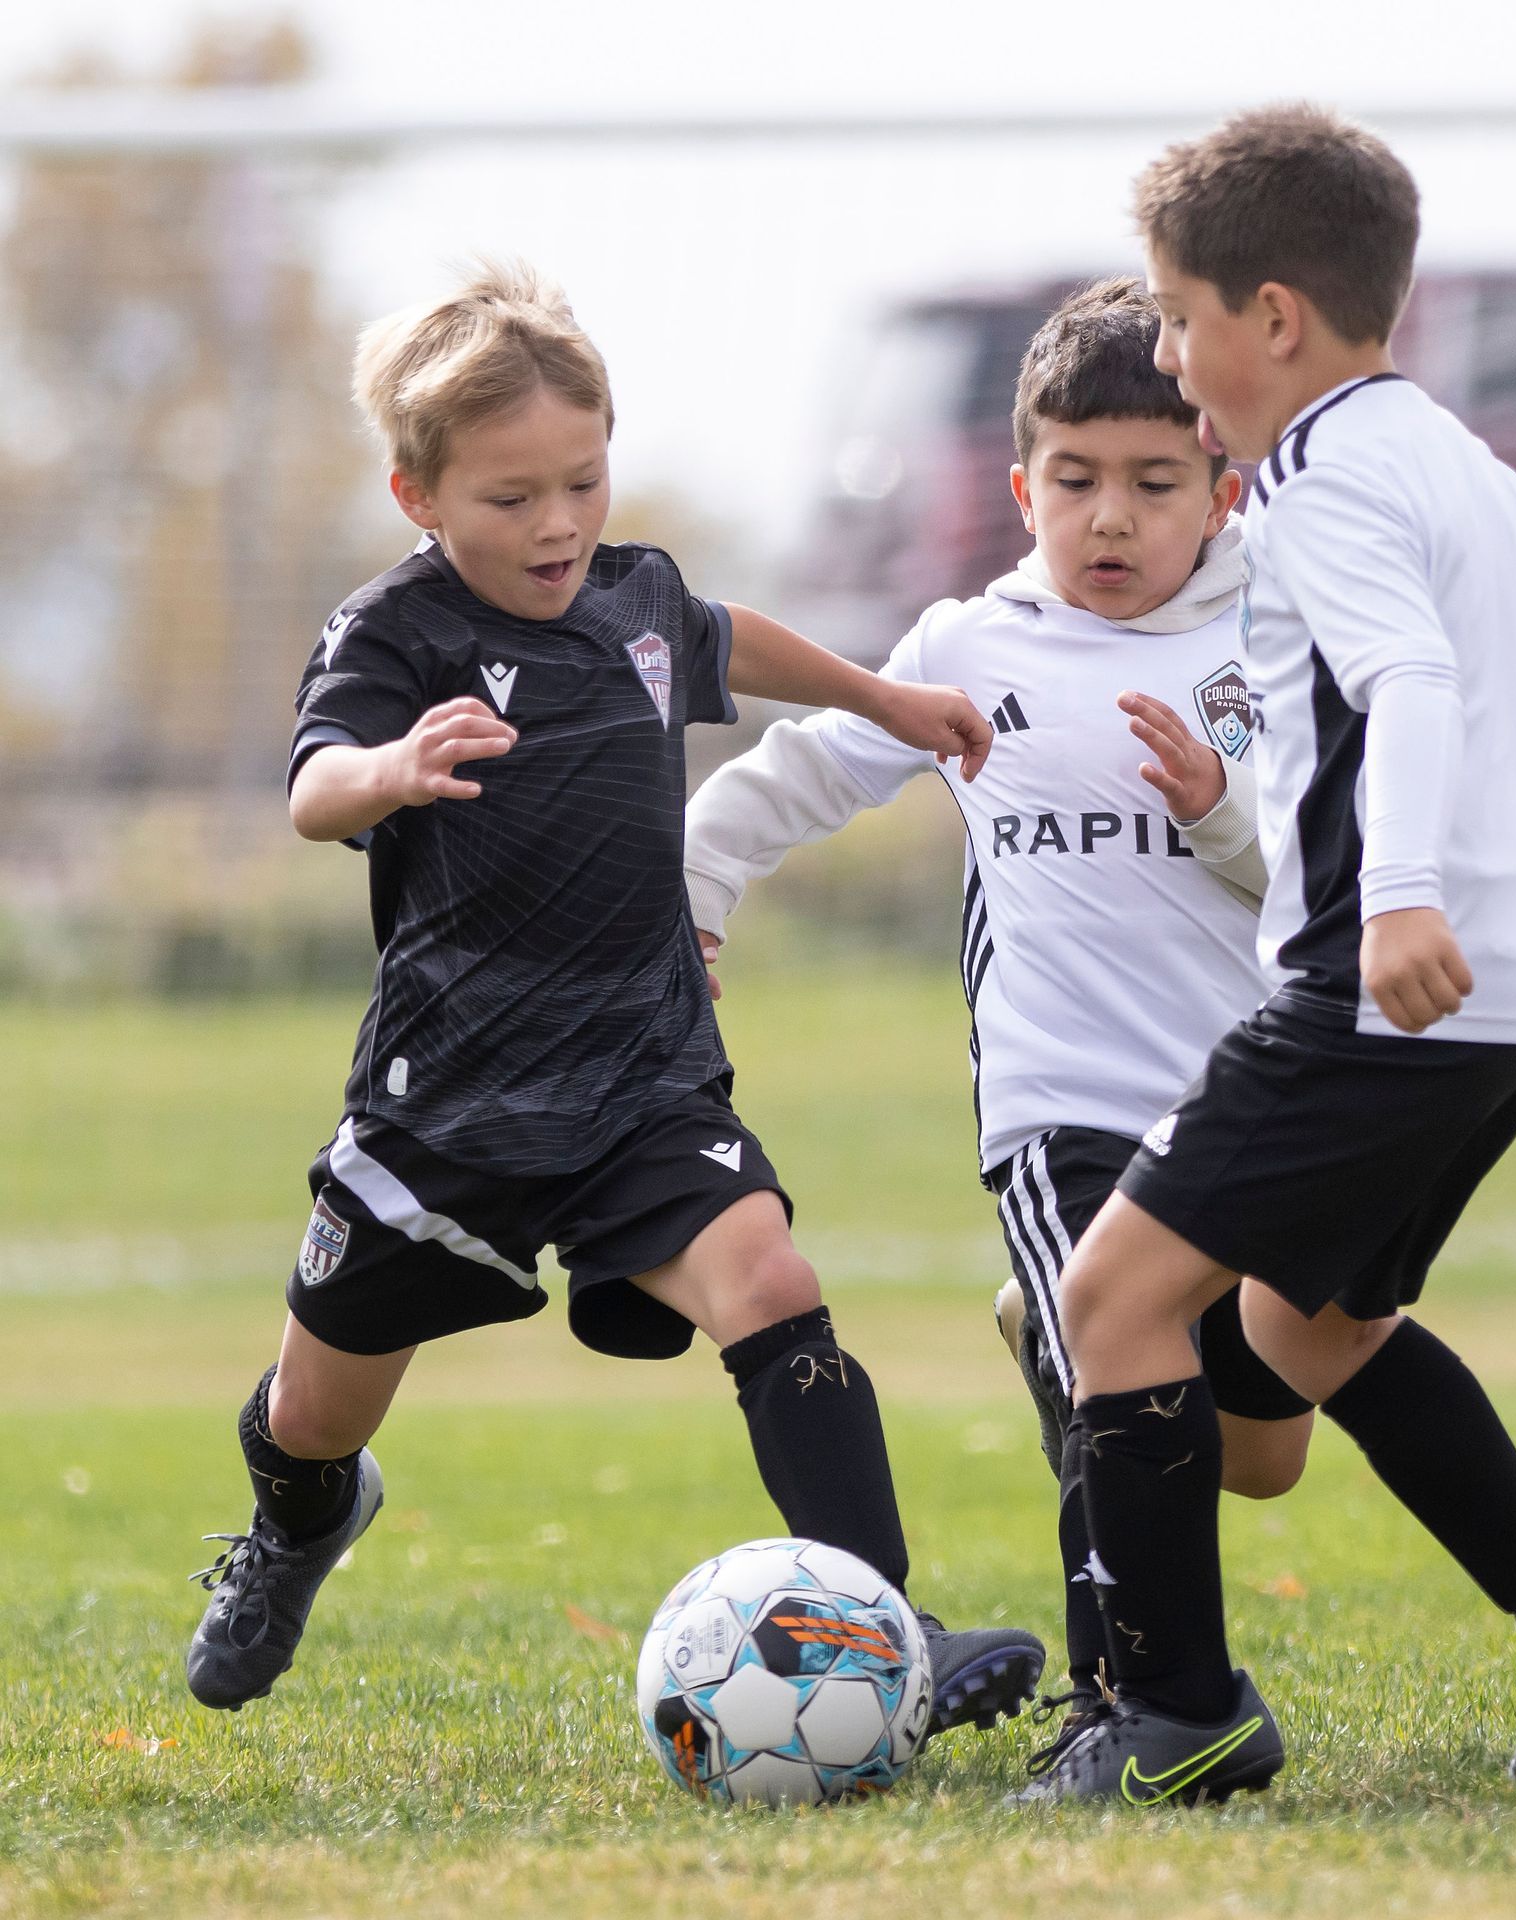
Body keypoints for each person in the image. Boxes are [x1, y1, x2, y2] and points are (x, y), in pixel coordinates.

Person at [184, 261, 1045, 1739]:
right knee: (314, 1416)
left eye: (582, 482)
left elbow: (729, 636)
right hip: (446, 1108)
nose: (558, 523)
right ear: (418, 497)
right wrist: (391, 769)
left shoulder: (636, 600)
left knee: (772, 1284)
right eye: (512, 497)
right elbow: (315, 789)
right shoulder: (394, 635)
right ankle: (298, 1523)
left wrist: (887, 699)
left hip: (644, 1079)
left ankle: (889, 1634)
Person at [1022, 106, 1516, 1806]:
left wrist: (1401, 893)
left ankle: (1176, 1718)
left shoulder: (1314, 476)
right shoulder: (1462, 459)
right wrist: (1465, 858)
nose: (1174, 361)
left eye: (1182, 321)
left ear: (1273, 318)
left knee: (1110, 1298)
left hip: (1373, 990)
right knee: (1305, 1330)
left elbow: (1409, 680)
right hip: (1511, 1007)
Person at [682, 279, 1316, 1776]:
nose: (1111, 518)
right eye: (1076, 481)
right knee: (1120, 1375)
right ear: (1024, 490)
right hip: (1063, 1111)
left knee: (1258, 1455)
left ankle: (1061, 1356)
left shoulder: (1270, 642)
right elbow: (795, 774)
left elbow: (1328, 879)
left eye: (1153, 482)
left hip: (1243, 1112)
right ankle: (1127, 1702)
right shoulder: (974, 647)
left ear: (1222, 492)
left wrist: (1223, 814)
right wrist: (692, 895)